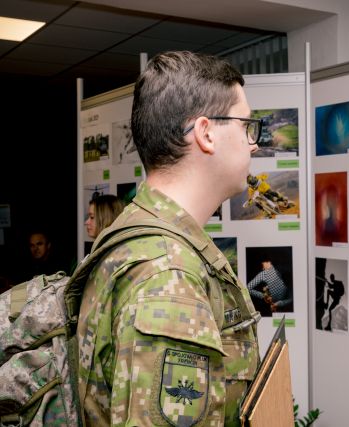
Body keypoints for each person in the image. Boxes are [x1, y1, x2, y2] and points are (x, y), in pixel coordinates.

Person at [77, 51, 262, 426]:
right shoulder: (169, 275)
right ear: (206, 134)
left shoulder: (141, 233)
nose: (254, 143)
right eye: (246, 126)